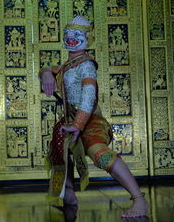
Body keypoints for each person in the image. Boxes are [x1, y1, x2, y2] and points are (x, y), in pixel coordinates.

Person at [39, 16, 149, 218]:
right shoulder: (68, 64)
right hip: (71, 119)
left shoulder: (86, 65)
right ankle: (69, 195)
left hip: (89, 119)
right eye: (68, 34)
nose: (71, 38)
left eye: (77, 35)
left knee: (99, 153)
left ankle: (139, 199)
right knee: (59, 149)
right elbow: (49, 68)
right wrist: (46, 73)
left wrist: (79, 124)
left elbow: (89, 96)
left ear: (87, 38)